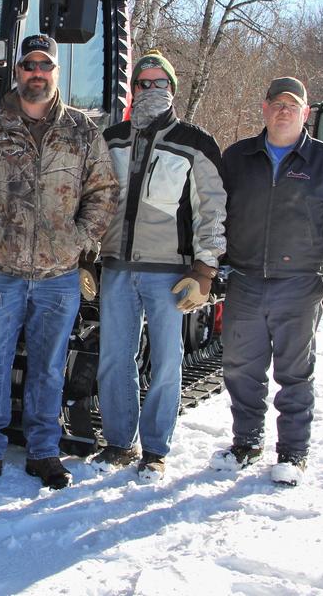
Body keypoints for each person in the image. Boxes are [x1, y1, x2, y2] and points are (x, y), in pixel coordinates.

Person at [0, 34, 118, 490]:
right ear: (17, 71)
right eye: (29, 64)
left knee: (49, 366)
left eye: (45, 65)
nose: (37, 72)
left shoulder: (83, 130)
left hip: (58, 276)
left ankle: (44, 450)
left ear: (56, 72)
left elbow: (103, 192)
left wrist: (78, 240)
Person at [212, 76, 323, 486]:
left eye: (292, 104)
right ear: (264, 108)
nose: (284, 110)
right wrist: (209, 266)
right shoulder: (238, 158)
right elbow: (213, 217)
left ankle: (293, 453)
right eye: (277, 102)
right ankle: (246, 442)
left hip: (299, 285)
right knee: (241, 370)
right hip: (244, 281)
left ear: (305, 113)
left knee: (294, 373)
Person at [93, 50, 227, 482]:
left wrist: (205, 270)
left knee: (167, 361)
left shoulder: (195, 142)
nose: (150, 90)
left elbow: (213, 208)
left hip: (171, 272)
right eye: (142, 83)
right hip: (115, 267)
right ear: (132, 89)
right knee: (115, 357)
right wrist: (84, 257)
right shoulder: (109, 138)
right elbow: (91, 199)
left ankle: (155, 449)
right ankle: (118, 441)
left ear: (172, 88)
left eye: (159, 83)